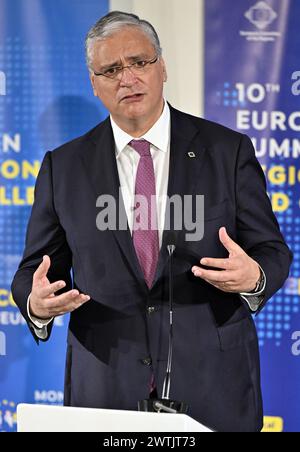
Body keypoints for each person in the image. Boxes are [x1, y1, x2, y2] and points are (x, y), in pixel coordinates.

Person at [11, 11, 292, 432]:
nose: (127, 78)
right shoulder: (62, 168)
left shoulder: (227, 151)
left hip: (212, 388)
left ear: (162, 67)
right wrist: (36, 304)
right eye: (110, 70)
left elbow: (272, 251)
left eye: (139, 62)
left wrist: (253, 277)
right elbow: (34, 271)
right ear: (94, 83)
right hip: (105, 390)